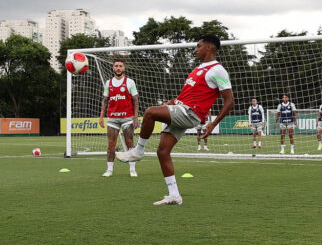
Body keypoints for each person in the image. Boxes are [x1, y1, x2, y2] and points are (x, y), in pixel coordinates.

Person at [117, 34, 234, 205]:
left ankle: (138, 151)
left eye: (199, 46)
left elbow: (230, 100)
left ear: (209, 47)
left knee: (150, 113)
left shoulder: (217, 70)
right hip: (183, 109)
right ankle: (174, 195)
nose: (196, 49)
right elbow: (186, 96)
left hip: (190, 113)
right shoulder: (197, 69)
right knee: (163, 151)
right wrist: (171, 103)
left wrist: (213, 123)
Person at [98, 59, 139, 177]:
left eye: (120, 66)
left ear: (124, 68)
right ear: (113, 68)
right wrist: (101, 116)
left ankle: (132, 169)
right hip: (112, 118)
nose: (118, 68)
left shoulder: (130, 82)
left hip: (127, 117)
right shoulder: (108, 83)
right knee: (111, 144)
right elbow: (105, 100)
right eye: (116, 66)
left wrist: (136, 117)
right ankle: (109, 169)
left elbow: (135, 100)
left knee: (129, 143)